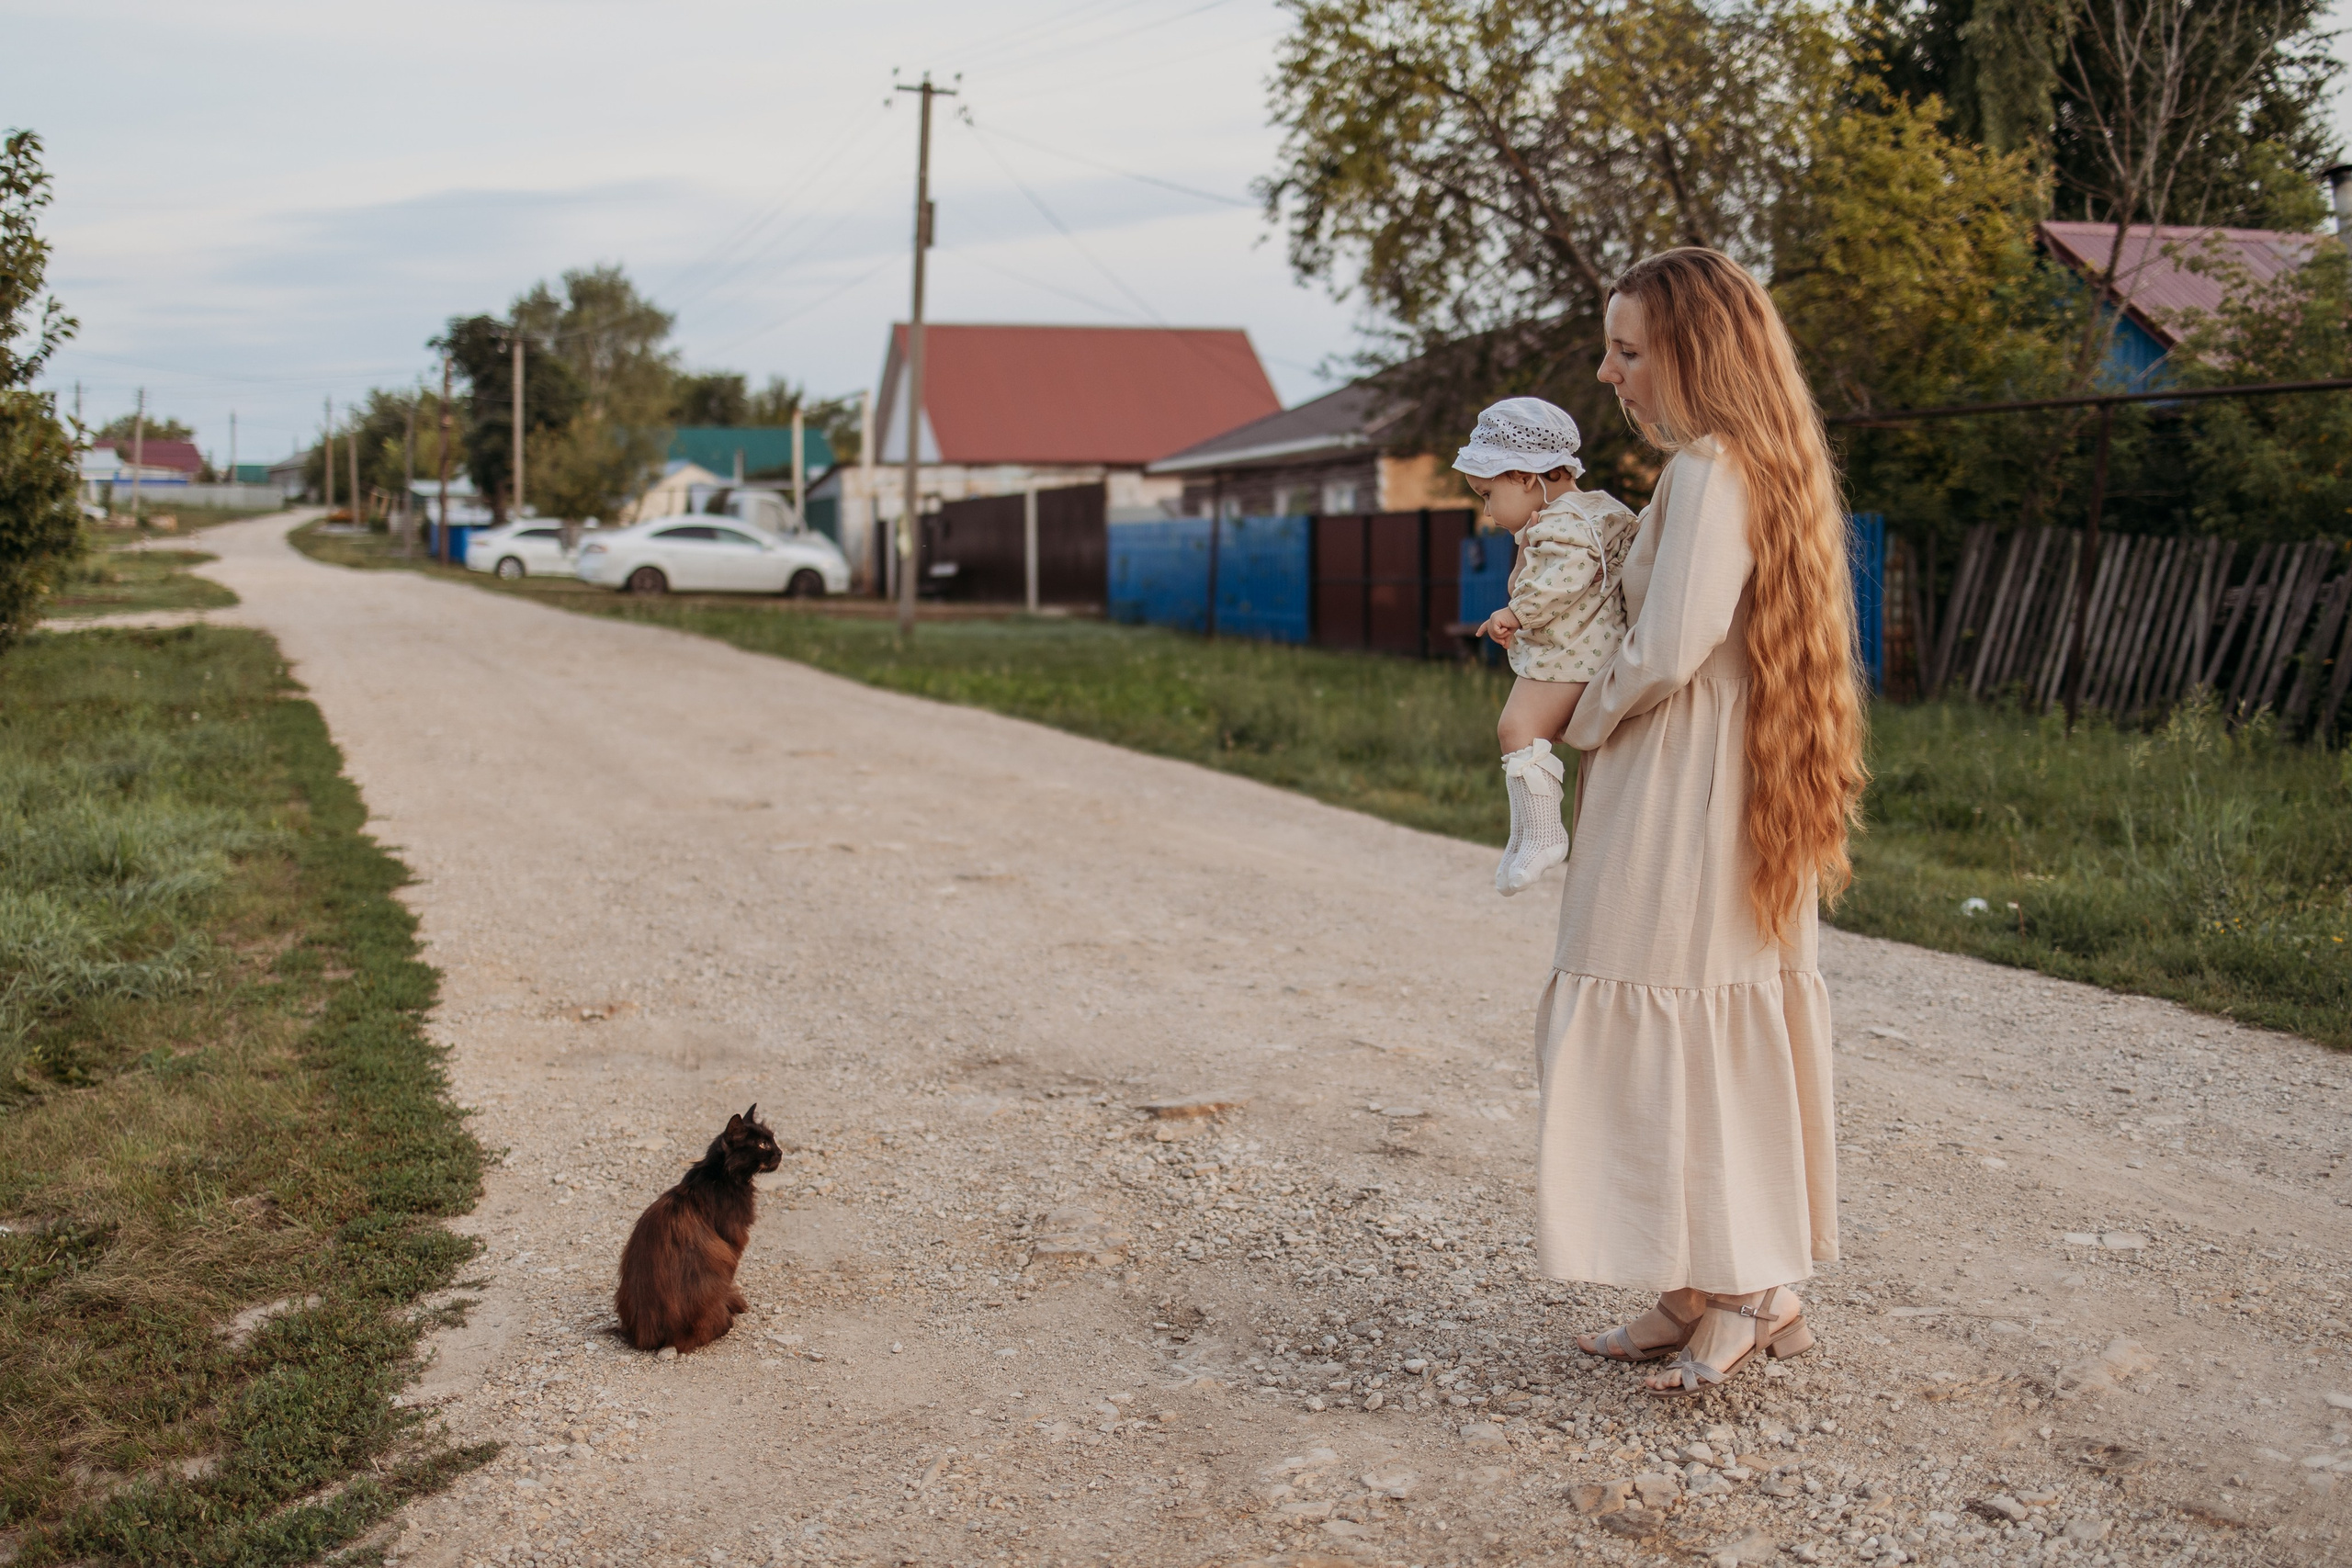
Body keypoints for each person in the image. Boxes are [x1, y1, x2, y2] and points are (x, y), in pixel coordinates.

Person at [1537, 248, 1867, 1393]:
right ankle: (1693, 1288)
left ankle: (1751, 1292)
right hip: (1717, 775)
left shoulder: (1707, 468)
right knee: (1695, 1021)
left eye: (1627, 351)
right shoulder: (1750, 463)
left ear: (1693, 353)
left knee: (1676, 1020)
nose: (1608, 372)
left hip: (1677, 783)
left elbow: (1669, 647)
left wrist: (1577, 715)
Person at [1454, 398, 1641, 896]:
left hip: (1571, 656)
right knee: (1525, 733)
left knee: (1516, 728)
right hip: (1590, 648)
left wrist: (1515, 613)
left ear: (1524, 476)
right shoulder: (1599, 510)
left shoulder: (1563, 523)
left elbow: (1562, 581)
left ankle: (1543, 835)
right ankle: (1526, 834)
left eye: (1487, 494)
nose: (1487, 510)